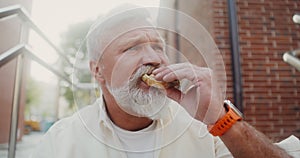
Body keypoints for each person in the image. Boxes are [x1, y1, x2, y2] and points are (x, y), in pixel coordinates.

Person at [31, 4, 299, 158]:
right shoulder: (62, 142)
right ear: (98, 70)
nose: (155, 58)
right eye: (132, 48)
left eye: (158, 47)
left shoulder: (204, 127)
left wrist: (220, 119)